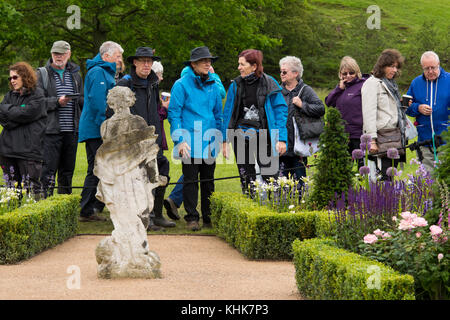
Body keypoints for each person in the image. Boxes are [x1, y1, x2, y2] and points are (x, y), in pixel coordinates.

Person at [112, 47, 175, 230]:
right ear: (135, 62)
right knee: (140, 180)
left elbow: (155, 110)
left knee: (162, 169)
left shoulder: (153, 83)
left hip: (153, 140)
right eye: (143, 61)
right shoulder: (125, 84)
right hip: (134, 143)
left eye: (150, 61)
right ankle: (142, 219)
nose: (147, 65)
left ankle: (156, 214)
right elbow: (112, 112)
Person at [168, 46, 223, 231]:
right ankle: (192, 217)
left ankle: (208, 216)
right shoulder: (181, 85)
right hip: (189, 140)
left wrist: (221, 140)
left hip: (209, 140)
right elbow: (174, 114)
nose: (208, 64)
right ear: (193, 64)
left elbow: (218, 114)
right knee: (190, 180)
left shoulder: (214, 86)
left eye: (210, 61)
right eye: (204, 61)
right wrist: (179, 140)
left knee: (208, 181)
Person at [222, 49, 287, 195]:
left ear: (254, 66)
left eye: (242, 64)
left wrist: (281, 139)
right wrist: (224, 140)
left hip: (264, 135)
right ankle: (250, 206)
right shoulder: (235, 85)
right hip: (240, 135)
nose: (239, 68)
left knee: (270, 176)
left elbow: (281, 112)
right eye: (238, 64)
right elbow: (228, 113)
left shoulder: (270, 83)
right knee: (246, 176)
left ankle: (275, 208)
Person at [78, 41, 123, 222]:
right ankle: (86, 209)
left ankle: (92, 207)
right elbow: (98, 103)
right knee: (96, 169)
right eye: (117, 56)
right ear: (106, 56)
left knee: (101, 168)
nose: (119, 60)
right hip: (97, 130)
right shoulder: (98, 72)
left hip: (100, 129)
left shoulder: (105, 71)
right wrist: (105, 128)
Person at [38, 40, 84, 197]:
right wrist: (56, 102)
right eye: (56, 53)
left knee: (67, 173)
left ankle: (64, 210)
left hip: (71, 131)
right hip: (50, 132)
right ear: (51, 54)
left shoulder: (76, 76)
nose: (59, 56)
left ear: (69, 54)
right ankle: (45, 209)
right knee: (48, 173)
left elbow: (82, 101)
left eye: (62, 53)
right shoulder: (41, 74)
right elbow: (36, 103)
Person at [0, 62, 46, 197]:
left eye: (15, 77)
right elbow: (3, 117)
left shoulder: (37, 95)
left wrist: (9, 111)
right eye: (10, 78)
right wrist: (18, 113)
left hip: (28, 151)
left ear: (25, 76)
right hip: (7, 150)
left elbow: (26, 114)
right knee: (11, 190)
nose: (12, 81)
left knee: (31, 190)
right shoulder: (9, 96)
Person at [279, 56, 325, 190]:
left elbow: (320, 109)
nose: (281, 74)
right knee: (280, 185)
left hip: (298, 147)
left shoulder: (305, 90)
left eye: (284, 72)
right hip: (280, 145)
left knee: (299, 184)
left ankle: (299, 207)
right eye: (281, 71)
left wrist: (302, 105)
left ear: (295, 73)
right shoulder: (277, 90)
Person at [361, 49, 406, 181]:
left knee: (391, 176)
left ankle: (389, 201)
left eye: (396, 67)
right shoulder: (372, 83)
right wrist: (372, 141)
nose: (394, 70)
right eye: (391, 66)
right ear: (382, 66)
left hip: (395, 136)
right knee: (383, 178)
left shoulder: (391, 84)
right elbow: (368, 113)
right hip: (381, 137)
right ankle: (381, 201)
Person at [406, 51, 450, 173]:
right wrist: (418, 108)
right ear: (422, 67)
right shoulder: (416, 83)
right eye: (427, 68)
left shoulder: (449, 80)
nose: (430, 71)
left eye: (433, 68)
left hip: (446, 141)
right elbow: (407, 107)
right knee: (428, 180)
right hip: (424, 141)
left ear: (439, 64)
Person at [325, 56, 368, 168]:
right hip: (342, 135)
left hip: (359, 135)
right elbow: (329, 102)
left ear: (357, 72)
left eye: (351, 73)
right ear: (340, 74)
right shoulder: (341, 88)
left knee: (362, 169)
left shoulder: (363, 85)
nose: (348, 76)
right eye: (345, 73)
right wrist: (339, 89)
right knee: (343, 168)